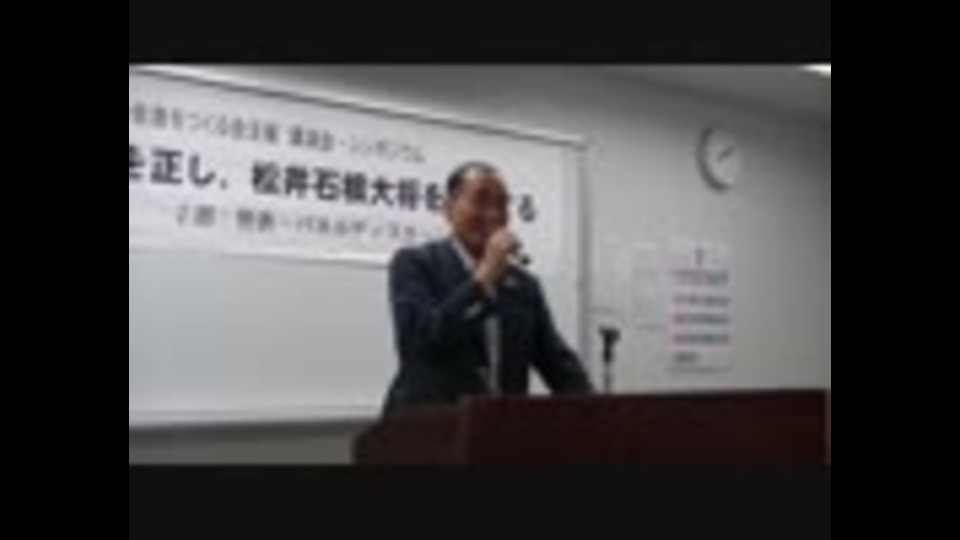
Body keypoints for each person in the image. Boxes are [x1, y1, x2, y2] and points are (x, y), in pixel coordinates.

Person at [382, 162, 593, 415]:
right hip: (427, 425)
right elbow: (418, 346)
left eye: (502, 205)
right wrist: (482, 281)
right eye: (481, 201)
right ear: (448, 209)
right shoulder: (415, 263)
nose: (493, 214)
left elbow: (558, 364)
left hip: (499, 427)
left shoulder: (524, 285)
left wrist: (599, 413)